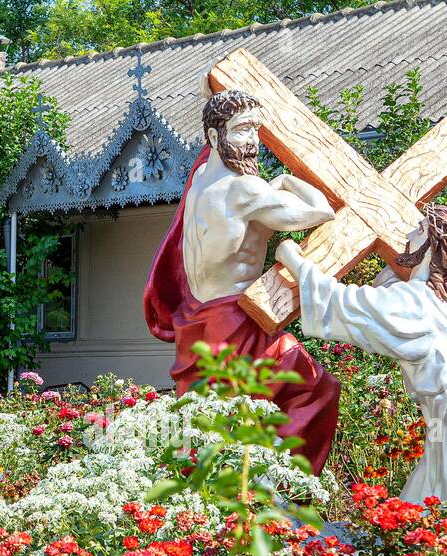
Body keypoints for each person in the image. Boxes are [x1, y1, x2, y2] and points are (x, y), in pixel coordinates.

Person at [274, 205, 447, 520]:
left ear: (432, 244)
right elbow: (387, 302)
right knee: (434, 496)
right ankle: (417, 551)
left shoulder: (416, 303)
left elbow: (345, 304)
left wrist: (294, 259)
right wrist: (390, 274)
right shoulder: (432, 301)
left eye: (418, 230)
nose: (407, 235)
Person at [143, 89, 341, 473]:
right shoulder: (246, 189)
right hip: (237, 320)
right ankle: (280, 492)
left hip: (196, 320)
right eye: (242, 130)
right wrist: (285, 179)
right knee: (317, 389)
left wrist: (212, 89)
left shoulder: (199, 177)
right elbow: (321, 211)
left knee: (206, 425)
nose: (252, 142)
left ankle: (211, 513)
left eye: (256, 130)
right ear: (216, 137)